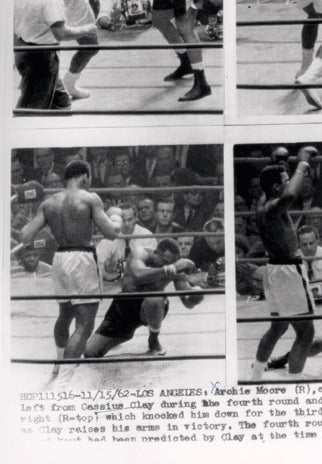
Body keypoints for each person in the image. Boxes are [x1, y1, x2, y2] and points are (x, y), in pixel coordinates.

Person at [18, 160, 122, 378]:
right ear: (84, 176)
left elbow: (25, 235)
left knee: (64, 315)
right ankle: (64, 382)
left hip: (60, 258)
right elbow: (112, 233)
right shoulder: (90, 198)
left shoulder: (49, 203)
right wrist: (116, 217)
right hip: (82, 257)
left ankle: (58, 364)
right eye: (90, 178)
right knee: (84, 324)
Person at [250, 146, 318, 381]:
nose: (290, 183)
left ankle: (256, 375)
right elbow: (289, 195)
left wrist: (280, 164)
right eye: (286, 180)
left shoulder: (262, 201)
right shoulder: (272, 207)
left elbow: (275, 185)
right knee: (306, 332)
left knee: (278, 327)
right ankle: (296, 380)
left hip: (274, 269)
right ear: (277, 187)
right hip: (289, 271)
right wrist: (302, 164)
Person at [84, 239, 203, 357]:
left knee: (155, 298)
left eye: (170, 263)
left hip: (151, 307)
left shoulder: (177, 266)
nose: (166, 265)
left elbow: (187, 303)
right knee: (91, 353)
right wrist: (172, 268)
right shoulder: (140, 253)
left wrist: (196, 295)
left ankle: (153, 339)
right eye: (164, 262)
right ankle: (119, 337)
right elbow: (139, 275)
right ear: (155, 253)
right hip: (126, 306)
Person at [14, 0, 97, 110]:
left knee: (62, 103)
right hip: (41, 57)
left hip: (22, 48)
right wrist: (86, 29)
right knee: (30, 109)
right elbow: (60, 34)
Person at [97, 203, 157, 282]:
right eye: (123, 220)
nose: (126, 224)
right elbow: (98, 265)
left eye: (129, 219)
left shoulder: (147, 236)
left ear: (136, 218)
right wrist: (107, 275)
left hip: (142, 284)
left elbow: (152, 266)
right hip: (115, 285)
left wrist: (118, 266)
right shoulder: (109, 237)